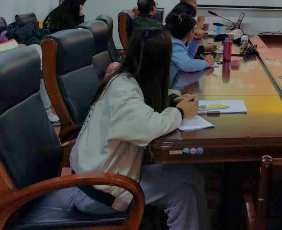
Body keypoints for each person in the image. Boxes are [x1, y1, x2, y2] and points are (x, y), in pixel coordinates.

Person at [70, 28, 208, 229]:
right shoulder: (123, 91)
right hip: (101, 190)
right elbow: (148, 126)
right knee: (182, 192)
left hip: (107, 175)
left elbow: (144, 98)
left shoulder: (125, 78)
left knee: (191, 175)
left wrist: (174, 98)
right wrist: (179, 112)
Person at [166, 13, 214, 89]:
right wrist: (207, 62)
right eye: (194, 29)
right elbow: (187, 65)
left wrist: (195, 40)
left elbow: (188, 56)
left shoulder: (175, 43)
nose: (195, 31)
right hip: (169, 89)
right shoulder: (174, 46)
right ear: (189, 32)